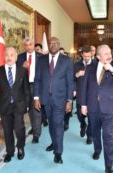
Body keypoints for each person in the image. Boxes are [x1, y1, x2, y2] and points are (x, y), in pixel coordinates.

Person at [81, 45, 113, 173]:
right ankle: (97, 150)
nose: (109, 55)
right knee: (95, 132)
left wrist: (111, 69)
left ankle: (108, 166)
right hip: (93, 107)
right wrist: (83, 105)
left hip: (109, 108)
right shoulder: (90, 68)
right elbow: (84, 87)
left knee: (108, 136)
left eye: (109, 52)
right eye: (105, 53)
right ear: (98, 56)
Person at [34, 36, 74, 164]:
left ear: (59, 44)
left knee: (58, 124)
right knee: (51, 123)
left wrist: (69, 100)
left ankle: (58, 153)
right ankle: (54, 142)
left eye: (56, 43)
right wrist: (36, 97)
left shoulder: (67, 60)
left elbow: (70, 82)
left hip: (60, 99)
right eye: (51, 43)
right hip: (46, 99)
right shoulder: (41, 60)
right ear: (49, 45)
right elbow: (37, 80)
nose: (53, 45)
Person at [0, 47, 30, 162]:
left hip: (19, 105)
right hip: (5, 105)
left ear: (16, 57)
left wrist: (27, 104)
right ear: (4, 57)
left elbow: (26, 89)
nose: (9, 57)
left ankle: (20, 147)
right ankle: (9, 151)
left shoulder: (23, 71)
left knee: (19, 128)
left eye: (12, 55)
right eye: (6, 55)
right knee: (7, 130)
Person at [17, 38, 42, 143]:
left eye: (30, 44)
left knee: (36, 110)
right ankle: (34, 127)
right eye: (26, 45)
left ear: (33, 44)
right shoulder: (20, 57)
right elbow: (16, 73)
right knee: (28, 111)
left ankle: (36, 134)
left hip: (37, 86)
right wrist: (22, 67)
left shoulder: (41, 57)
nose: (28, 47)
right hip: (24, 87)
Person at [74, 45, 93, 144]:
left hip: (92, 95)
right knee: (80, 115)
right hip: (80, 94)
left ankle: (89, 136)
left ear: (91, 54)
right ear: (82, 54)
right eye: (85, 56)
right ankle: (82, 125)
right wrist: (77, 74)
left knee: (91, 117)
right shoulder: (76, 65)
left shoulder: (95, 64)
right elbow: (71, 78)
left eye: (88, 56)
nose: (86, 58)